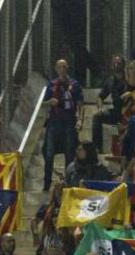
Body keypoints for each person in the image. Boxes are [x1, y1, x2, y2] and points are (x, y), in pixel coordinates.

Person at [42, 59, 84, 191]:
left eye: (64, 67)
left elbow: (80, 103)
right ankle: (46, 183)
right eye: (59, 67)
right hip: (54, 121)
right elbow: (43, 103)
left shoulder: (74, 84)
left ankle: (68, 182)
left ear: (67, 68)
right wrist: (50, 102)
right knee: (48, 153)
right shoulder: (52, 84)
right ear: (56, 69)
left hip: (69, 121)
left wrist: (80, 120)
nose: (62, 69)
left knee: (69, 152)